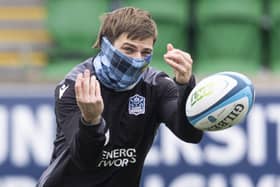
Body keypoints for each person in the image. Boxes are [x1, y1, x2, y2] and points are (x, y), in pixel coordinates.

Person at [37, 6, 203, 187]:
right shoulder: (75, 85)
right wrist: (91, 121)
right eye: (128, 49)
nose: (137, 59)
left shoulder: (156, 85)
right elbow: (86, 160)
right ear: (105, 45)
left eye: (145, 52)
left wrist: (185, 85)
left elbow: (190, 135)